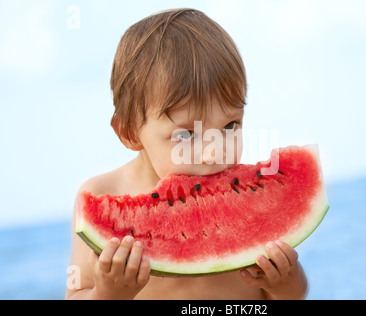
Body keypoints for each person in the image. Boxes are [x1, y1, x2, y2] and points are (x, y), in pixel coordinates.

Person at [65, 8, 308, 300]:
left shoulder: (254, 200)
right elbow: (77, 293)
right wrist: (108, 292)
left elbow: (289, 296)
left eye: (230, 125)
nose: (213, 152)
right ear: (129, 132)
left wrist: (286, 283)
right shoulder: (101, 194)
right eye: (186, 135)